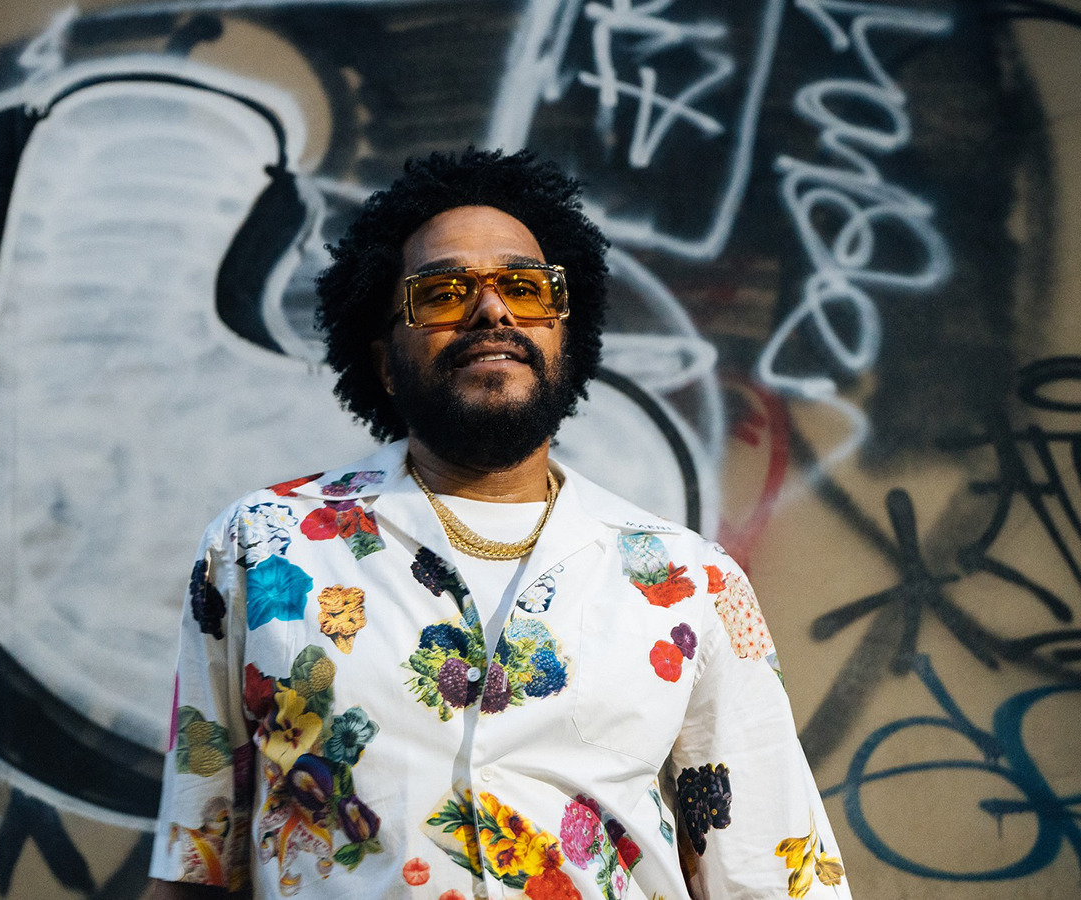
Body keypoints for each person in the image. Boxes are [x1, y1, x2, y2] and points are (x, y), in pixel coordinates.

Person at [150, 148, 850, 900]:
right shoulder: (260, 548)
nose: (493, 310)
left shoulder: (689, 583)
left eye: (524, 287)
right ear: (385, 362)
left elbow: (772, 879)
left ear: (563, 337)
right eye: (445, 293)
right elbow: (197, 870)